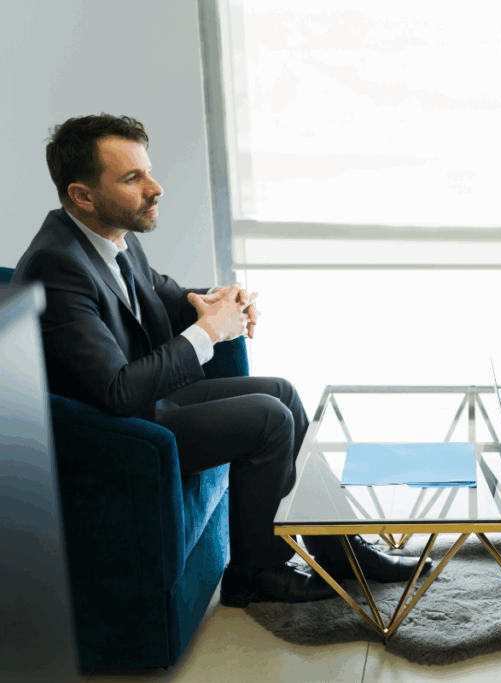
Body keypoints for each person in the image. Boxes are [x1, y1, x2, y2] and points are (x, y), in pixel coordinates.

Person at [14, 114, 428, 607]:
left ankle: (336, 546)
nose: (155, 187)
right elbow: (117, 393)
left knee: (282, 392)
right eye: (133, 178)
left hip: (148, 403)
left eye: (148, 170)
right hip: (116, 435)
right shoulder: (57, 265)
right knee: (268, 419)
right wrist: (209, 331)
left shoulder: (108, 239)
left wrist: (222, 300)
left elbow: (168, 295)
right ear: (82, 195)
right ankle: (256, 572)